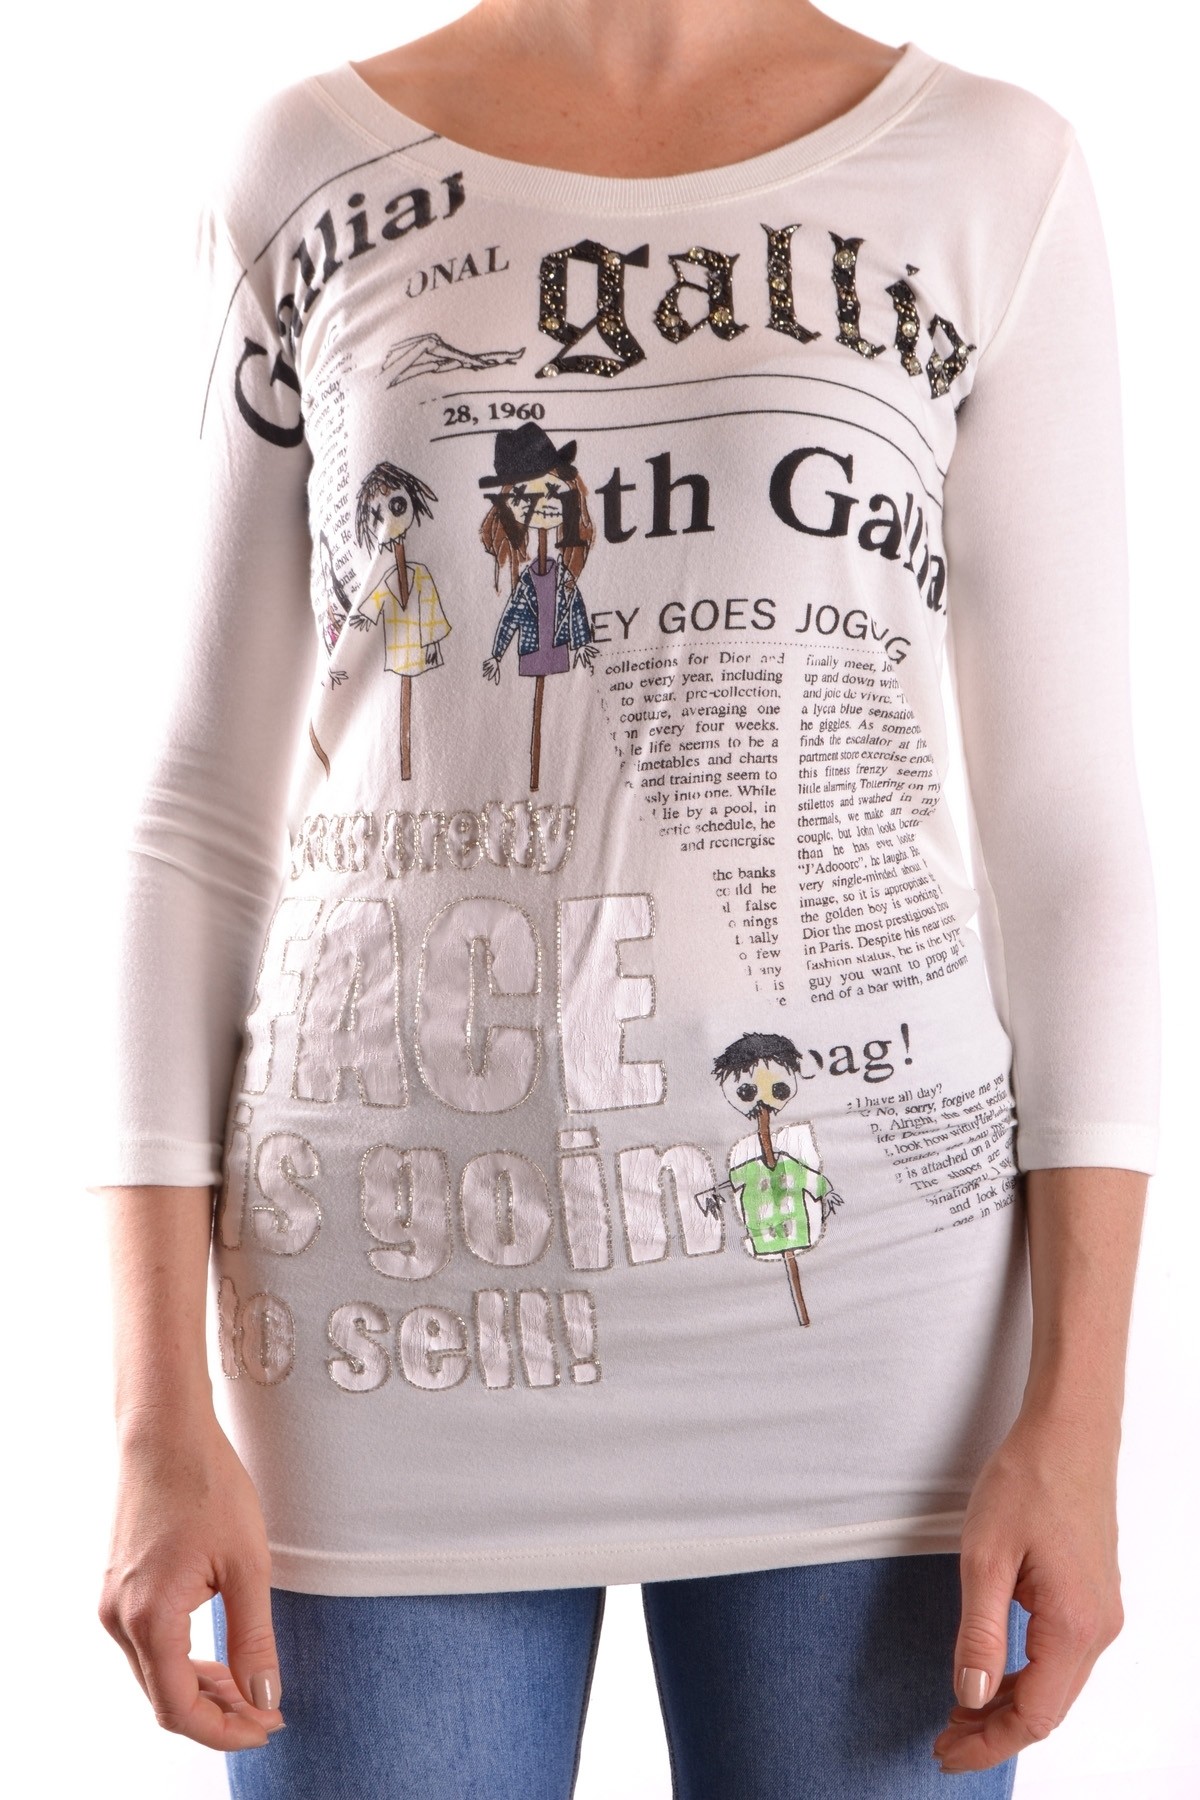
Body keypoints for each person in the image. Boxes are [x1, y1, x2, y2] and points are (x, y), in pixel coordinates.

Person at [87, 2, 1158, 1795]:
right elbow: (195, 813)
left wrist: (1083, 1417)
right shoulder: (300, 166)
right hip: (387, 1320)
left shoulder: (992, 170)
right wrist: (149, 1414)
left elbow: (1066, 828)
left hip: (871, 1339)